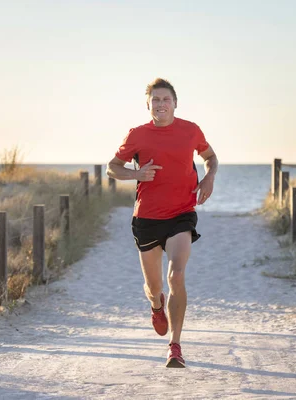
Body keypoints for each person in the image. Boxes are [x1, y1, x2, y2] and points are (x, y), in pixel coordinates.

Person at [106, 78, 218, 368]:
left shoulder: (191, 130)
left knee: (176, 275)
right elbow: (113, 167)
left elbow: (211, 157)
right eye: (155, 100)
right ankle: (157, 306)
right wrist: (136, 175)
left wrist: (209, 177)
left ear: (175, 103)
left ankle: (175, 346)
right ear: (148, 105)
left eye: (165, 99)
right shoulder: (137, 135)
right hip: (147, 217)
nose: (161, 104)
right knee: (154, 286)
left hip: (181, 213)